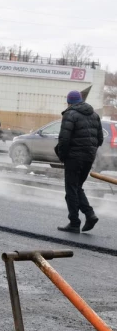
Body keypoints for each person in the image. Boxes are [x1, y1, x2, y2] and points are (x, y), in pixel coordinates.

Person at [55, 90, 103, 233]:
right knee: (77, 188)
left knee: (71, 190)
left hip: (74, 158)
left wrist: (62, 156)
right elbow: (100, 139)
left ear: (69, 102)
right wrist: (90, 151)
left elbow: (64, 139)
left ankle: (74, 223)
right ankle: (90, 215)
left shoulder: (70, 114)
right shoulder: (95, 115)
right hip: (89, 157)